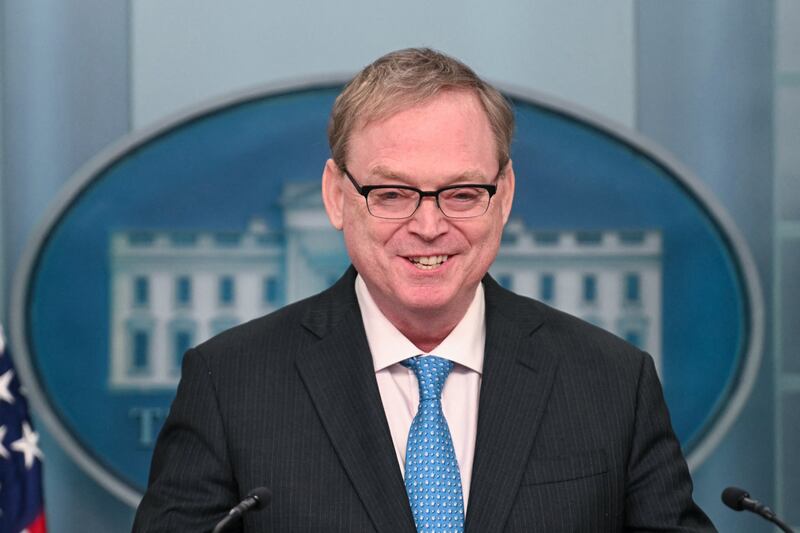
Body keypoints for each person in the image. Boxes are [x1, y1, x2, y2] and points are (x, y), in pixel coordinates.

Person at [133, 48, 715, 532]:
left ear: (504, 195)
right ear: (336, 196)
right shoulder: (230, 384)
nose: (429, 226)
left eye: (462, 193)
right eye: (391, 194)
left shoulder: (613, 383)